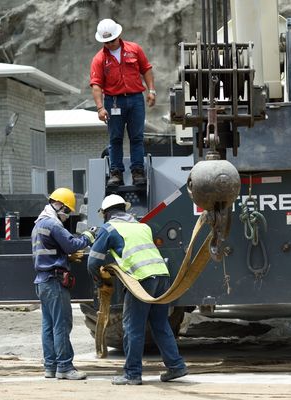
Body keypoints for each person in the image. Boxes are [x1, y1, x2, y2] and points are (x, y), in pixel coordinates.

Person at [87, 194, 188, 385]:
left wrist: (100, 282)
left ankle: (132, 374)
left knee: (133, 327)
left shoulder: (108, 228)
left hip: (141, 280)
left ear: (106, 214)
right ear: (124, 209)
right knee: (160, 324)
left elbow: (93, 261)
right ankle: (176, 366)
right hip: (161, 275)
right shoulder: (142, 226)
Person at [31, 188, 96, 380]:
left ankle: (50, 367)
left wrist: (64, 256)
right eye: (67, 212)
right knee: (61, 325)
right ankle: (65, 368)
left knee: (48, 326)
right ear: (59, 205)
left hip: (43, 282)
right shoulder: (53, 224)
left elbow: (52, 250)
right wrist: (89, 236)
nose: (67, 217)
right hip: (55, 282)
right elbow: (73, 244)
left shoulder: (38, 225)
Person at [90, 18, 157, 187]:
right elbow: (96, 85)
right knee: (115, 138)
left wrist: (152, 90)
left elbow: (146, 69)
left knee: (137, 137)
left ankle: (137, 171)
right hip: (114, 102)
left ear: (119, 35)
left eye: (112, 40)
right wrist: (100, 108)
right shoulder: (99, 59)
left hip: (135, 99)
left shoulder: (134, 50)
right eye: (106, 41)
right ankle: (116, 172)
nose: (110, 44)